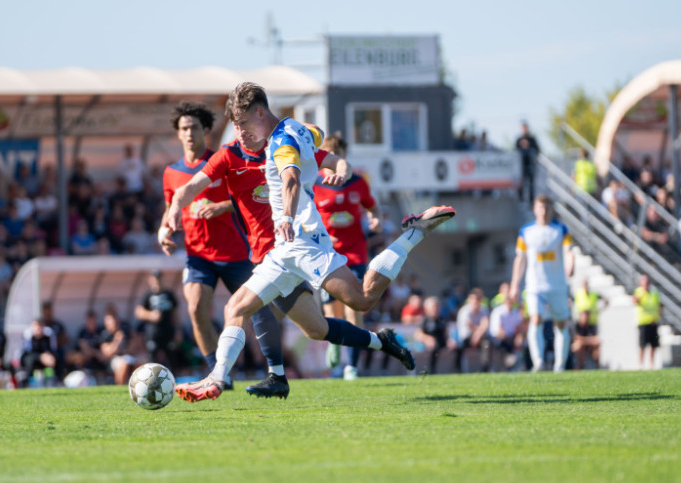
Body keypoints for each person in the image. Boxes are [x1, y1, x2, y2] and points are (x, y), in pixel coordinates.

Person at [174, 82, 453, 402]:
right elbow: (317, 133)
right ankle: (216, 380)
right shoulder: (296, 129)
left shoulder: (281, 143)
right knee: (236, 307)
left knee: (362, 300)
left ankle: (414, 233)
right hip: (282, 249)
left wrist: (285, 218)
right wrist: (332, 161)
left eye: (242, 122)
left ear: (260, 112)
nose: (239, 131)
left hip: (304, 240)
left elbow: (290, 179)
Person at [158, 100, 283, 391]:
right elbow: (170, 208)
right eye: (184, 128)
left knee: (262, 310)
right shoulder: (171, 173)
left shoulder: (224, 161)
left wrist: (221, 207)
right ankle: (219, 372)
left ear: (206, 131)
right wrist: (163, 232)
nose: (189, 133)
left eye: (195, 128)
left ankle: (274, 368)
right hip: (198, 255)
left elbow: (250, 197)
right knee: (195, 307)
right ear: (178, 133)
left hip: (237, 253)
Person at [313, 134, 382, 380]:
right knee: (333, 313)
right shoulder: (314, 183)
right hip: (326, 254)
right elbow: (304, 217)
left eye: (337, 154)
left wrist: (375, 218)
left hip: (355, 253)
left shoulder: (357, 183)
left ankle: (351, 365)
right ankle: (334, 341)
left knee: (354, 308)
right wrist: (317, 235)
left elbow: (372, 206)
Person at [509, 194, 574, 372]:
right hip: (534, 286)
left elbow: (569, 251)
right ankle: (538, 362)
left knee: (560, 324)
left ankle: (559, 364)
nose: (543, 212)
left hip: (557, 285)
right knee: (535, 319)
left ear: (551, 209)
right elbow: (520, 259)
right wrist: (515, 284)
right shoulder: (526, 232)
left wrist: (571, 265)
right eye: (540, 208)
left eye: (546, 208)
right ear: (535, 210)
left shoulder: (561, 230)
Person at [134, 270, 182, 369]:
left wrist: (178, 330)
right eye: (155, 278)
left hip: (168, 333)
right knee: (152, 361)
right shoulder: (148, 295)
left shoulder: (169, 294)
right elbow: (139, 311)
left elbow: (175, 314)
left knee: (172, 360)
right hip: (153, 334)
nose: (157, 281)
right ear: (150, 280)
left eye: (159, 278)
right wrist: (151, 315)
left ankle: (172, 382)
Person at [414, 296, 454, 374]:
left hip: (441, 341)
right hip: (429, 344)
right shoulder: (425, 320)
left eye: (437, 306)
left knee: (458, 348)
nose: (436, 309)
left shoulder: (443, 319)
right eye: (434, 306)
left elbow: (446, 334)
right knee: (434, 347)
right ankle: (432, 371)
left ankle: (457, 370)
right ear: (427, 309)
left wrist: (450, 341)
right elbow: (417, 334)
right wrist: (427, 339)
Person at [488, 294, 525, 371]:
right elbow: (499, 331)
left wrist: (519, 337)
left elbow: (519, 327)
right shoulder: (498, 312)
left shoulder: (515, 312)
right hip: (499, 338)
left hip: (511, 337)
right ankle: (505, 365)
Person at [455, 291, 490, 372]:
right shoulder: (464, 311)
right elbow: (469, 325)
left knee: (486, 345)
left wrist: (477, 335)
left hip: (480, 337)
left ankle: (485, 369)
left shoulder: (484, 309)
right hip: (466, 337)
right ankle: (459, 370)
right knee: (458, 348)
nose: (475, 302)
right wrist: (477, 333)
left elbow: (485, 324)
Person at [632, 273, 662, 370]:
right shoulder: (638, 291)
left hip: (653, 321)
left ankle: (652, 364)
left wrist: (657, 316)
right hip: (643, 322)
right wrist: (643, 293)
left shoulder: (654, 292)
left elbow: (658, 305)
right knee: (642, 345)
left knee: (653, 345)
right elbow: (635, 301)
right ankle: (640, 365)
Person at [572, 280, 603, 370]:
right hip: (580, 345)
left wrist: (585, 340)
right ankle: (580, 367)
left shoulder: (591, 325)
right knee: (579, 346)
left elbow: (596, 340)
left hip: (588, 343)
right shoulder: (577, 325)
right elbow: (577, 339)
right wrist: (588, 340)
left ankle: (598, 367)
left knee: (596, 346)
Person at [515, 121, 540, 204]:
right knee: (520, 183)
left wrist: (529, 146)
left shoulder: (532, 139)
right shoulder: (519, 139)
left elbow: (537, 150)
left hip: (531, 165)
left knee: (531, 184)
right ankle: (520, 199)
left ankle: (531, 200)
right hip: (520, 165)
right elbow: (515, 151)